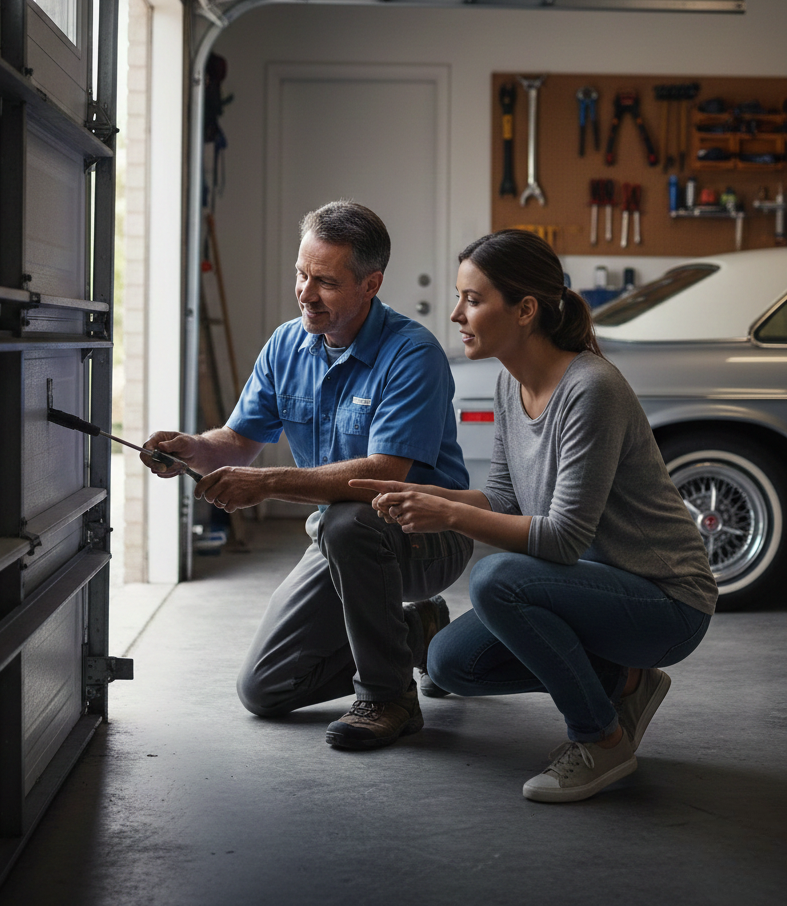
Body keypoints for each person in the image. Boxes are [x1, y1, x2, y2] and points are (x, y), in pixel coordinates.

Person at [352, 229, 717, 801]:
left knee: (497, 579)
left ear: (525, 310)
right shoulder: (509, 383)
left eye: (472, 299)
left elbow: (563, 540)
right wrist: (421, 498)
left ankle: (601, 741)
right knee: (451, 664)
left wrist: (447, 512)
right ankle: (622, 680)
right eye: (459, 297)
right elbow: (502, 499)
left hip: (665, 603)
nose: (455, 313)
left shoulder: (591, 388)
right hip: (593, 590)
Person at [142, 200, 473, 750]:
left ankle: (388, 698)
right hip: (342, 540)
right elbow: (241, 441)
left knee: (349, 521)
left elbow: (382, 476)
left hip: (425, 537)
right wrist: (193, 448)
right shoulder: (287, 344)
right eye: (301, 273)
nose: (304, 291)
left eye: (324, 281)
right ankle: (418, 632)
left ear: (371, 284)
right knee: (265, 688)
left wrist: (268, 484)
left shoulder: (413, 354)